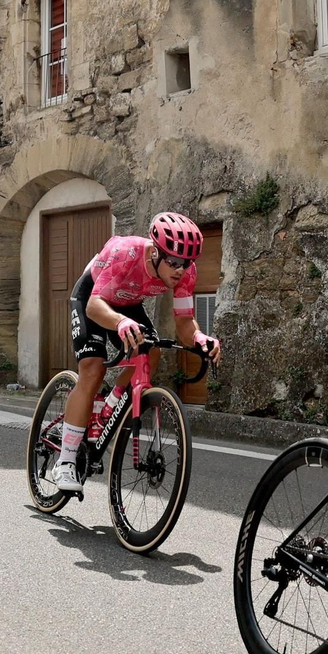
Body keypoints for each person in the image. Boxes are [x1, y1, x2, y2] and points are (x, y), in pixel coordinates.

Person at [51, 212, 222, 494]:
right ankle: (66, 460)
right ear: (155, 252)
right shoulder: (126, 253)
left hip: (127, 304)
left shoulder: (185, 274)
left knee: (151, 351)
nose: (181, 269)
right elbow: (95, 306)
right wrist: (119, 322)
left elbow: (183, 322)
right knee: (93, 370)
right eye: (174, 261)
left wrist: (200, 337)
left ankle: (110, 404)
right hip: (93, 298)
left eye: (187, 263)